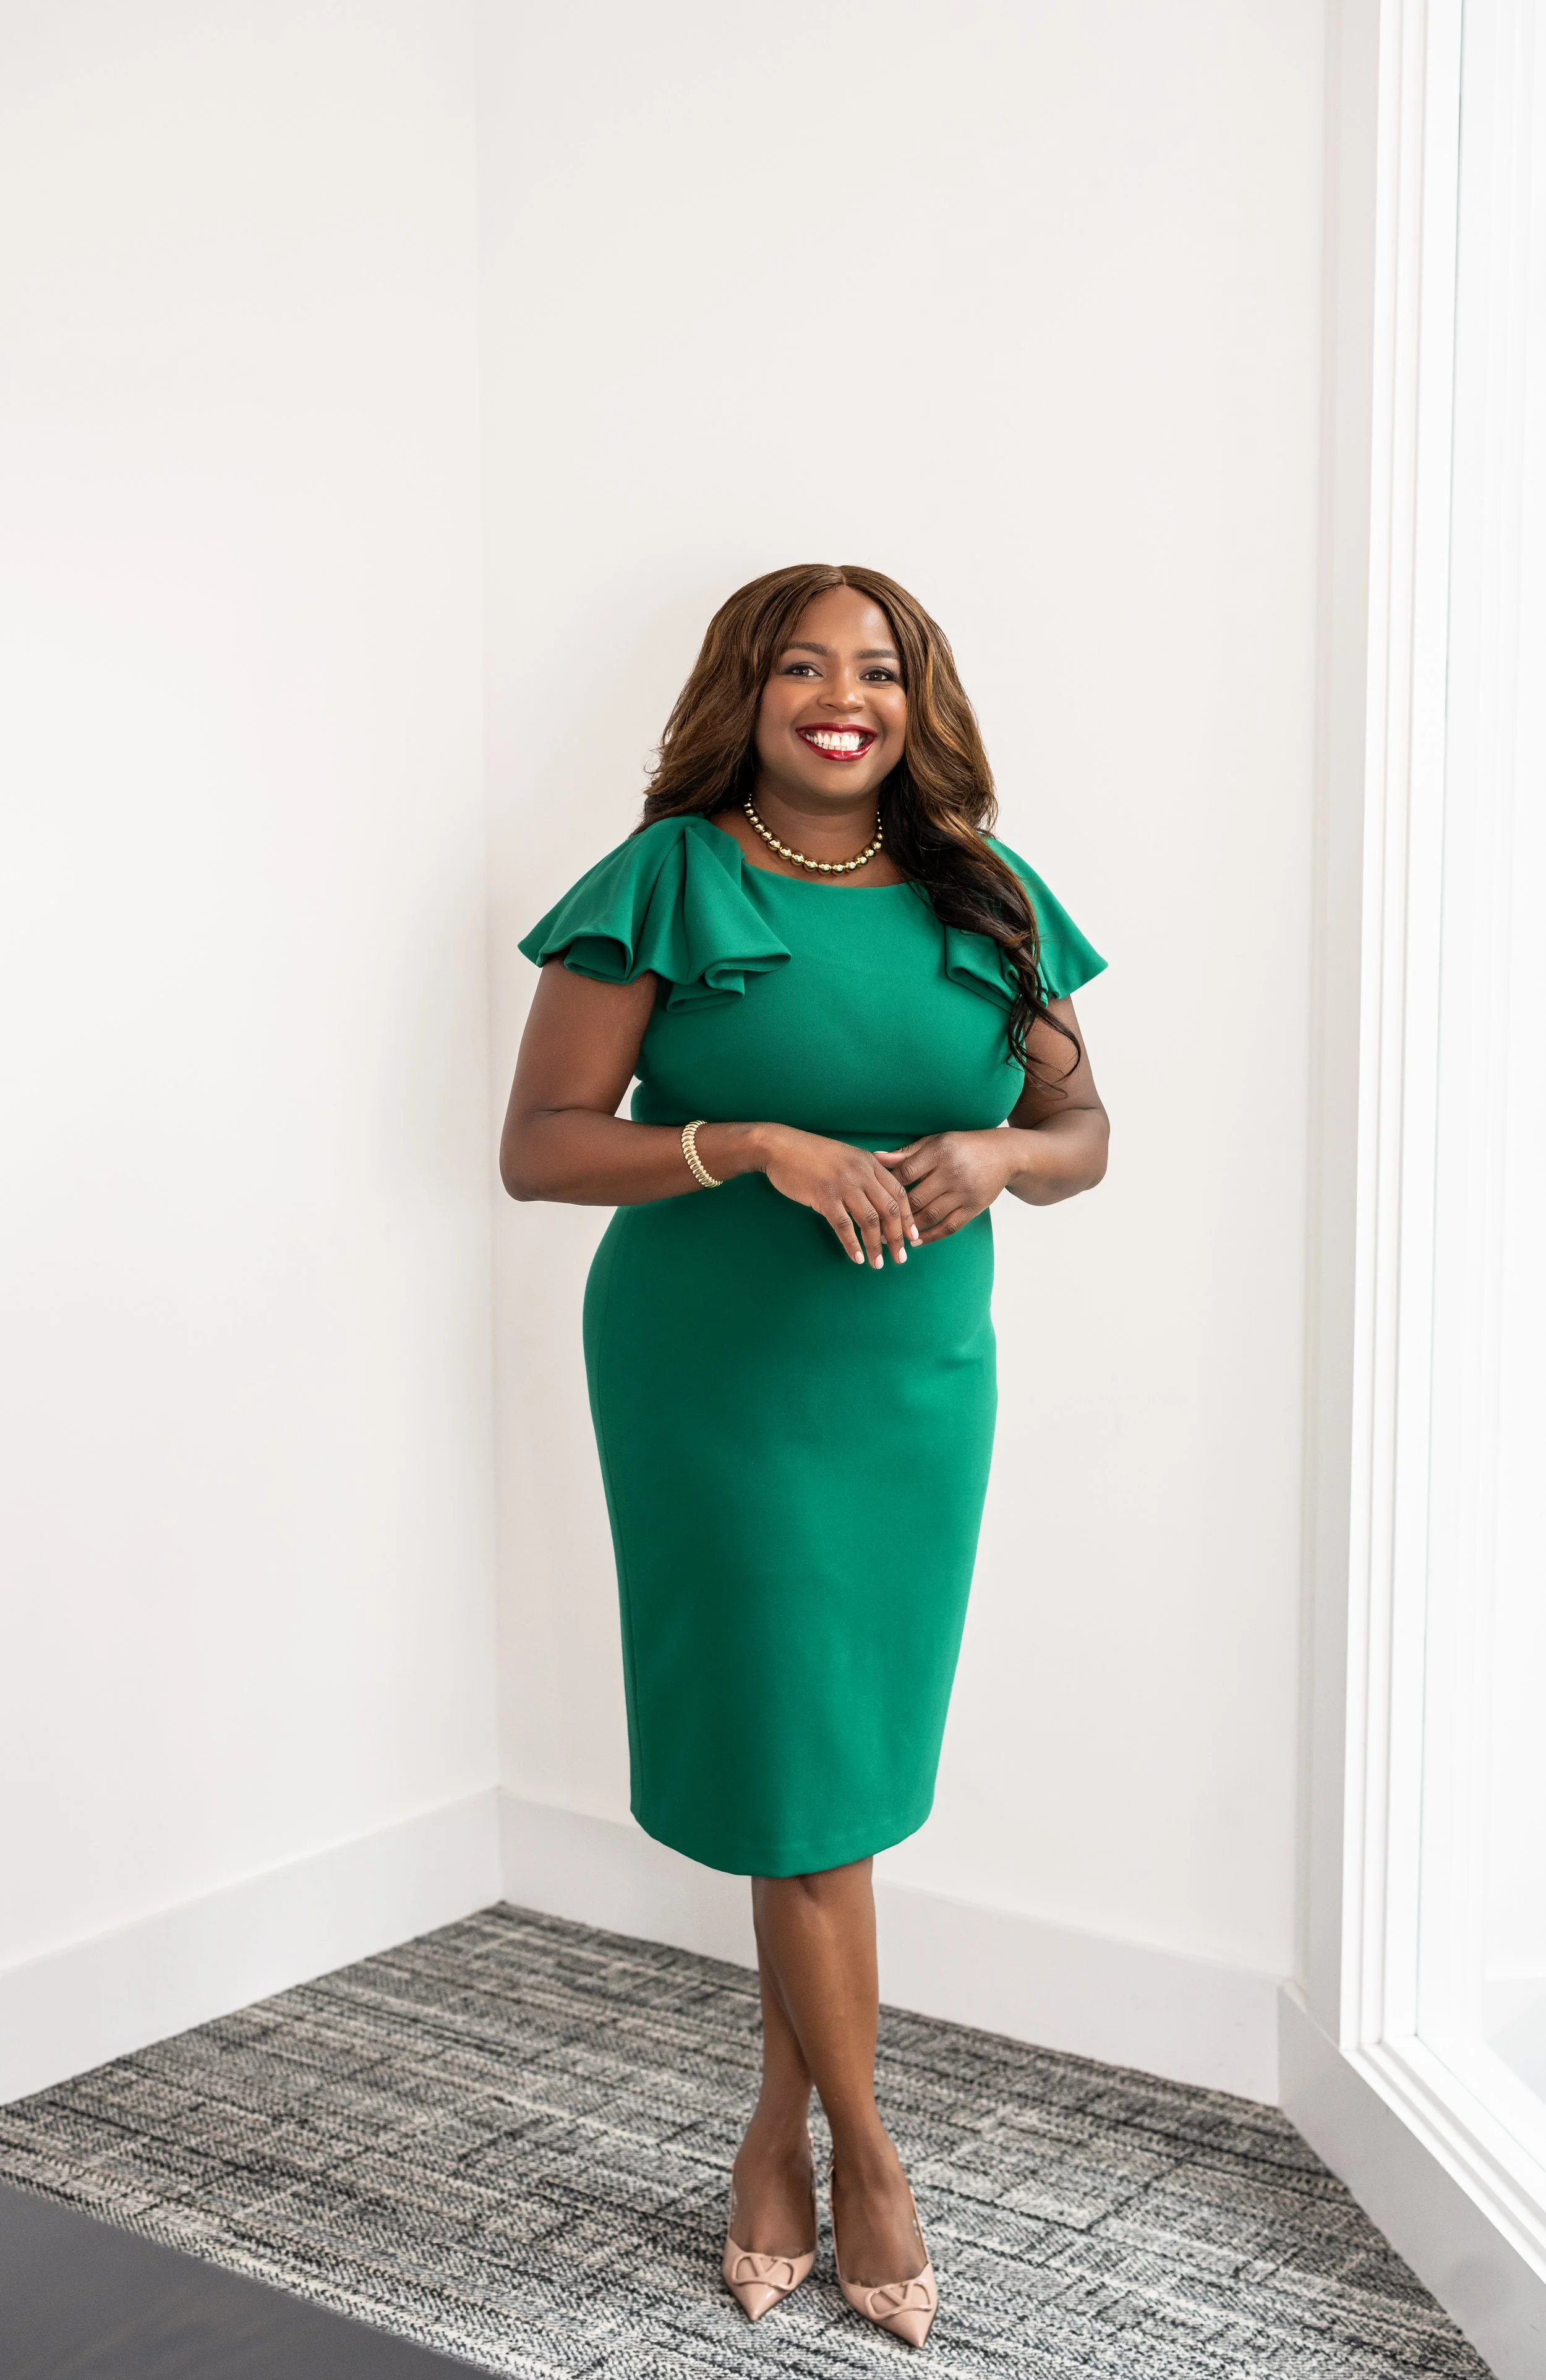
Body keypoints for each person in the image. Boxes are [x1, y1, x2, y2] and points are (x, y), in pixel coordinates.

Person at [500, 563, 1108, 2348]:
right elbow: (539, 1146)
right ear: (742, 691)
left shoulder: (987, 893)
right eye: (800, 666)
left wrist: (997, 1163)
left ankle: (774, 2131)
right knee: (794, 1767)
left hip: (914, 1377)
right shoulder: (664, 879)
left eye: (880, 669)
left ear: (919, 702)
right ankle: (871, 2156)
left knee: (831, 1777)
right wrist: (746, 1138)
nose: (842, 697)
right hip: (716, 1378)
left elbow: (1080, 1128)